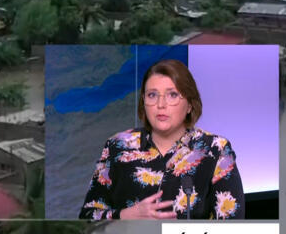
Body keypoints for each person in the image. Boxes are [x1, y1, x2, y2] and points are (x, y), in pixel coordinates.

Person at [79, 59, 244, 220]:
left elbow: (231, 228)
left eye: (172, 95)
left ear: (189, 105)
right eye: (152, 95)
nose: (161, 104)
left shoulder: (216, 149)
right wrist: (123, 216)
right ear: (144, 102)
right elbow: (87, 216)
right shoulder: (117, 146)